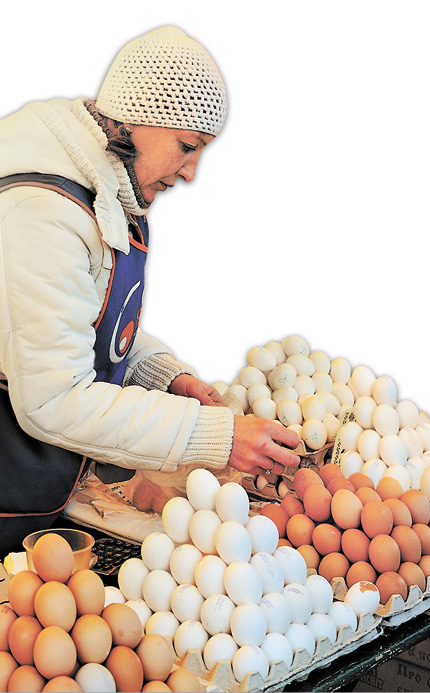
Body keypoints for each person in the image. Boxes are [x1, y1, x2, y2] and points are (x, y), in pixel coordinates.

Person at [0, 26, 299, 549]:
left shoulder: (107, 186)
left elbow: (83, 319)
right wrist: (217, 436)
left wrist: (161, 376)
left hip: (34, 486)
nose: (190, 173)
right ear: (136, 118)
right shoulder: (42, 212)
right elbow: (54, 400)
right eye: (188, 146)